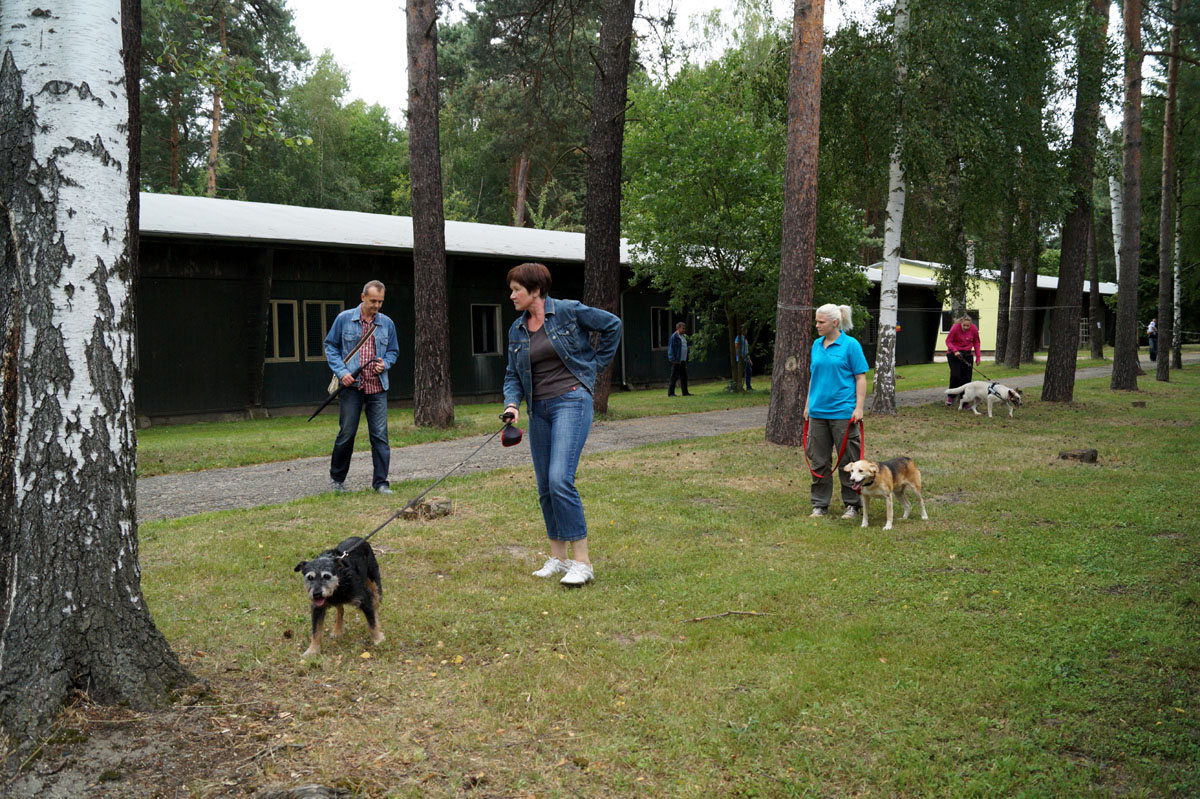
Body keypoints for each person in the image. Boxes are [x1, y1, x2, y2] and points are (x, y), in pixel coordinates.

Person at [502, 263, 622, 586]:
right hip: (538, 409)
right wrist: (512, 404)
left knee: (560, 479)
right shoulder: (517, 330)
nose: (511, 295)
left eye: (516, 290)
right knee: (545, 485)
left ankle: (583, 563)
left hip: (571, 401)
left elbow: (612, 325)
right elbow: (513, 374)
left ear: (535, 291)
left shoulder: (568, 311)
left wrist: (594, 367)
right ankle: (559, 558)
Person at [324, 280, 399, 494]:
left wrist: (386, 363)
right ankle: (337, 480)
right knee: (347, 434)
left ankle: (381, 483)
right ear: (363, 297)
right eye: (373, 300)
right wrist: (342, 372)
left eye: (380, 302)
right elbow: (330, 346)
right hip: (351, 387)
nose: (377, 305)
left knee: (380, 436)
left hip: (377, 387)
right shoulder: (344, 319)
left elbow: (393, 351)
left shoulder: (387, 323)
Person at [804, 304, 868, 519]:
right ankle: (820, 504)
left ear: (834, 322)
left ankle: (853, 504)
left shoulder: (851, 345)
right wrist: (808, 405)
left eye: (821, 322)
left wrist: (859, 408)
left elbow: (860, 377)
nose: (817, 325)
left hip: (843, 413)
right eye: (816, 321)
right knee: (819, 461)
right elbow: (814, 377)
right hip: (818, 413)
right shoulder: (816, 345)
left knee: (848, 462)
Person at [944, 314, 981, 407]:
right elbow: (948, 341)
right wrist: (955, 350)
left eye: (968, 326)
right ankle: (951, 396)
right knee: (956, 375)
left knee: (966, 378)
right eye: (964, 325)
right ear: (961, 323)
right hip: (954, 353)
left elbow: (976, 342)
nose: (965, 327)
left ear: (970, 324)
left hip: (967, 354)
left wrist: (978, 357)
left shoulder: (974, 329)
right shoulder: (955, 328)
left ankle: (964, 400)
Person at [666, 322, 692, 396]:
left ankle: (685, 392)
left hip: (683, 360)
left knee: (684, 376)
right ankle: (671, 393)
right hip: (677, 360)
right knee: (674, 376)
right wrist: (673, 359)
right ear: (678, 328)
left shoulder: (683, 337)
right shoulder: (674, 337)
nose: (684, 330)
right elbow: (670, 348)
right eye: (682, 328)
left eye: (684, 328)